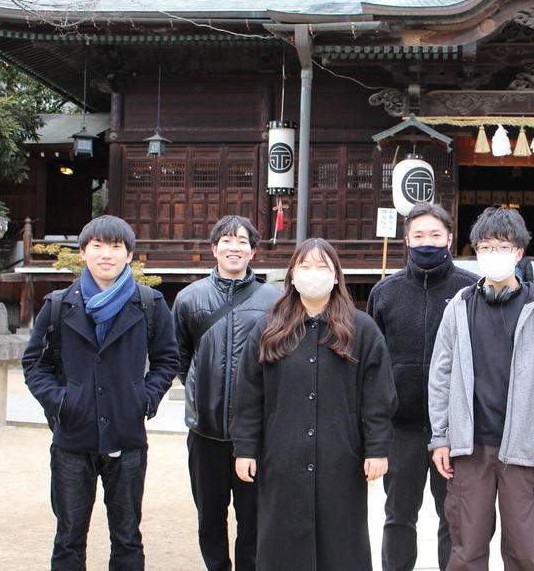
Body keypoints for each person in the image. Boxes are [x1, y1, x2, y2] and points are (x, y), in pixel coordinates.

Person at [22, 215, 178, 570]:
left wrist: (144, 398)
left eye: (115, 246)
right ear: (82, 253)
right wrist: (62, 401)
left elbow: (168, 360)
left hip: (126, 433)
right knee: (69, 537)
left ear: (129, 255)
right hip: (73, 437)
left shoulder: (149, 303)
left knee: (127, 536)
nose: (106, 254)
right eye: (97, 246)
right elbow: (34, 364)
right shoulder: (59, 305)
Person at [231, 238, 397, 571]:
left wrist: (376, 448)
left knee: (342, 538)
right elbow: (249, 394)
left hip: (341, 454)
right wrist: (245, 448)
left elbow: (377, 395)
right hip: (282, 453)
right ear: (291, 275)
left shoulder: (361, 328)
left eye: (323, 266)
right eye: (304, 266)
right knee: (281, 538)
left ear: (337, 276)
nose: (313, 274)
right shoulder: (269, 328)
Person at [428, 205, 534, 571]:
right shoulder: (459, 307)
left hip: (522, 450)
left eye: (504, 247)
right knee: (467, 548)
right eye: (487, 247)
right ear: (475, 252)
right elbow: (440, 376)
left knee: (525, 550)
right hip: (469, 446)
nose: (495, 255)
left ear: (520, 252)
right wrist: (441, 437)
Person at [367, 202, 478, 571]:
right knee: (399, 516)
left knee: (454, 519)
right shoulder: (385, 293)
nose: (427, 243)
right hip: (403, 428)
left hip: (456, 430)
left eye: (435, 235)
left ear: (449, 237)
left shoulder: (470, 290)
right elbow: (372, 366)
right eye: (418, 236)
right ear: (407, 241)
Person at [172, 215, 280, 571]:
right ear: (214, 249)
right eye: (227, 241)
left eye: (243, 241)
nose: (235, 247)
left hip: (255, 435)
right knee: (210, 516)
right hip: (205, 432)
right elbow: (179, 357)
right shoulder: (189, 298)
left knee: (254, 518)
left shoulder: (273, 300)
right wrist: (202, 390)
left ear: (253, 251)